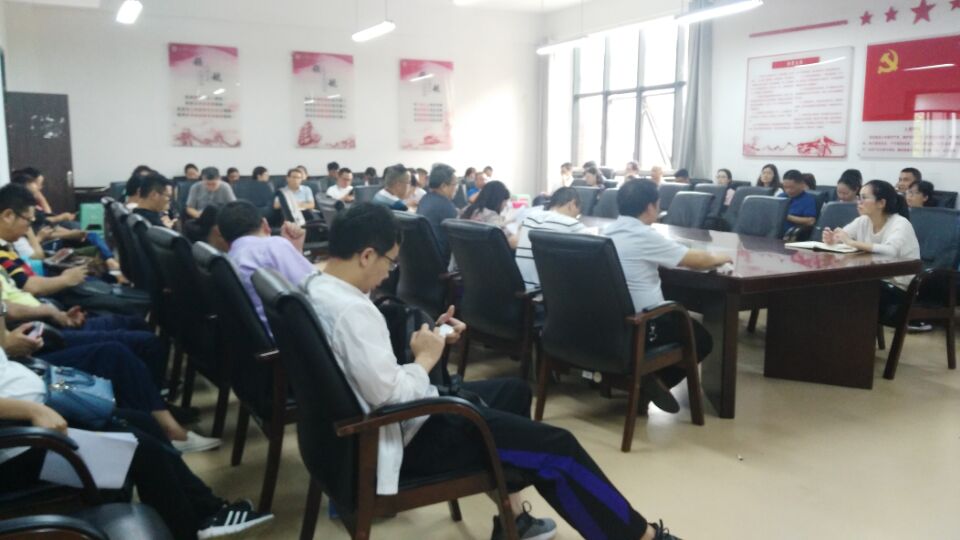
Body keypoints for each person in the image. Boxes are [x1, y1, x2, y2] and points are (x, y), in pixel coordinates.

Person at [304, 202, 681, 540]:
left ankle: (513, 520)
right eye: (390, 263)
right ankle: (641, 537)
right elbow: (389, 395)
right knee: (558, 448)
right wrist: (425, 359)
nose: (389, 274)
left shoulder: (315, 288)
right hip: (400, 438)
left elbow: (366, 369)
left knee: (515, 392)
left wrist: (431, 341)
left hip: (369, 429)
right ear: (366, 255)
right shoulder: (352, 311)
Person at [0, 319, 271, 539]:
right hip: (20, 445)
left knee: (143, 422)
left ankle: (209, 510)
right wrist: (33, 410)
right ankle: (188, 530)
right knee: (141, 450)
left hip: (39, 420)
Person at [604, 179, 728, 413]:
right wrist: (722, 257)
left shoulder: (606, 232)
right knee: (701, 339)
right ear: (650, 206)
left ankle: (645, 379)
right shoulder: (643, 235)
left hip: (609, 324)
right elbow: (697, 261)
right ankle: (650, 384)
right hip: (644, 325)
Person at [822, 179, 921, 328]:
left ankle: (852, 337)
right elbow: (842, 236)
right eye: (859, 197)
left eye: (864, 198)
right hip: (874, 279)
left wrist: (851, 242)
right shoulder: (863, 220)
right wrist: (832, 239)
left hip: (898, 287)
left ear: (881, 203)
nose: (859, 202)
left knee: (845, 292)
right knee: (833, 288)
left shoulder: (900, 223)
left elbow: (890, 251)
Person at [218, 201, 314, 330]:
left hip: (269, 334)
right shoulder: (274, 245)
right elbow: (314, 289)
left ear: (224, 239)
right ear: (265, 224)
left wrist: (294, 251)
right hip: (298, 332)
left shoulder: (228, 260)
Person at [515, 187, 586, 288]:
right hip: (546, 292)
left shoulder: (530, 217)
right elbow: (599, 248)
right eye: (577, 214)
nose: (576, 217)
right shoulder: (570, 224)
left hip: (523, 289)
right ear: (572, 204)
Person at [416, 164, 459, 264]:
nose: (457, 188)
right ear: (443, 186)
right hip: (440, 263)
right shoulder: (446, 206)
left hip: (423, 259)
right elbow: (457, 241)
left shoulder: (425, 199)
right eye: (455, 184)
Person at [462, 181, 518, 249]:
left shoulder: (465, 210)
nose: (505, 205)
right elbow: (512, 243)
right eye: (505, 201)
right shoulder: (491, 216)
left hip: (464, 254)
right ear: (498, 200)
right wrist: (520, 229)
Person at [778, 170, 818, 235]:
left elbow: (811, 221)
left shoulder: (808, 200)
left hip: (790, 234)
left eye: (791, 187)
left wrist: (786, 216)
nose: (788, 191)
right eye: (785, 187)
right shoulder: (781, 196)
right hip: (774, 231)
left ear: (802, 184)